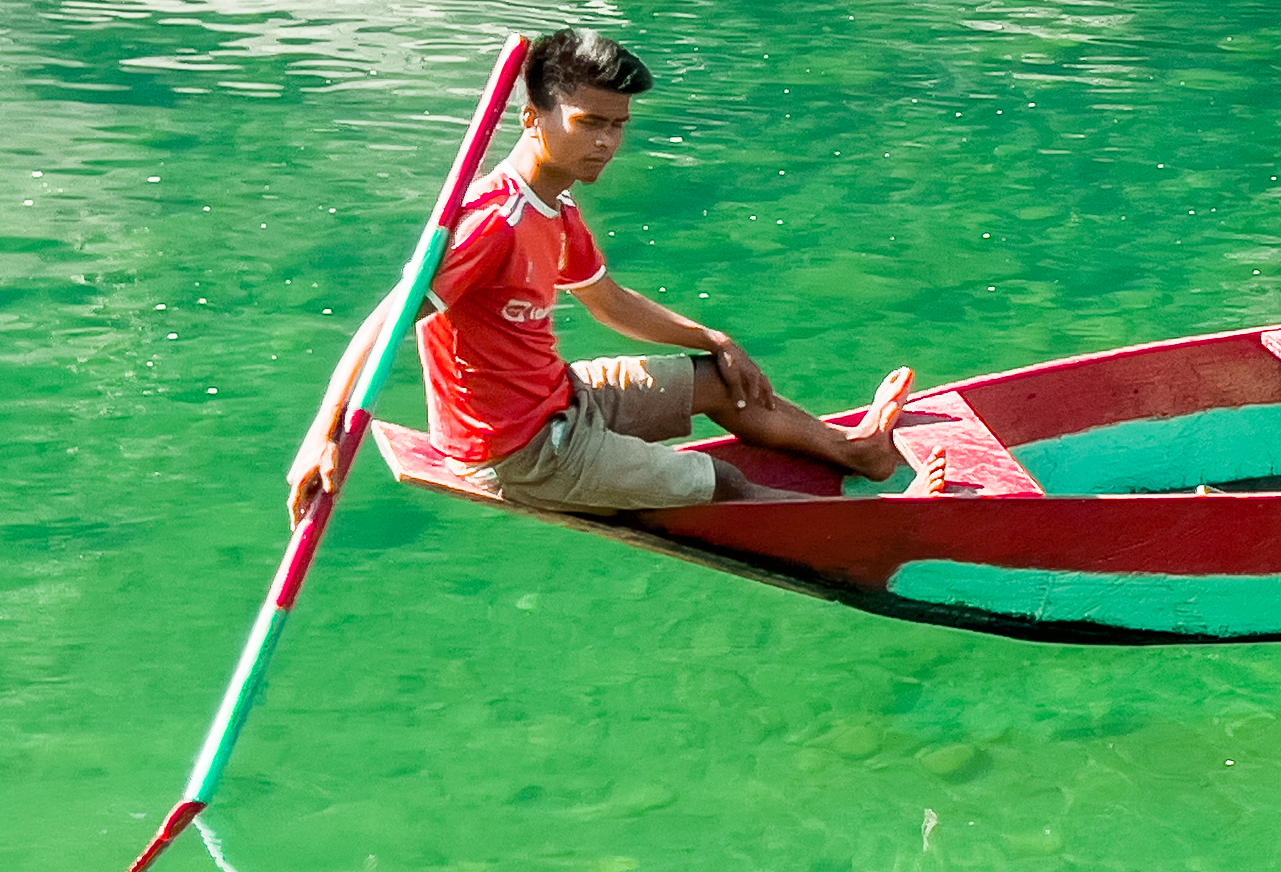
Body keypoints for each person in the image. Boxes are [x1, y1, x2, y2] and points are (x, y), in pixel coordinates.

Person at [296, 27, 908, 518]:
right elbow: (385, 324)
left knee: (721, 381)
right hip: (520, 452)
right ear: (532, 120)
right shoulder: (492, 223)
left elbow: (608, 302)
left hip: (562, 395)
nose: (607, 143)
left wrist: (713, 340)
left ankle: (859, 452)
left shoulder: (555, 206)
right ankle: (881, 524)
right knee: (723, 482)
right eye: (589, 123)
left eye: (618, 125)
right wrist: (321, 434)